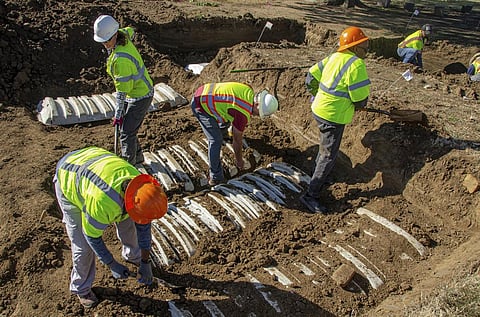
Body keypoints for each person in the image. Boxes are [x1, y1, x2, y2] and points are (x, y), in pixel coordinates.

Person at [53, 146, 168, 308]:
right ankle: (81, 288)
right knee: (83, 247)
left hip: (93, 160)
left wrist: (145, 261)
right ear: (130, 203)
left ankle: (133, 257)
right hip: (69, 176)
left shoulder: (142, 186)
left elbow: (143, 227)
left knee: (130, 225)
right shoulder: (103, 203)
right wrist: (111, 263)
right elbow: (91, 236)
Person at [303, 26, 371, 214]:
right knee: (328, 155)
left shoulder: (334, 57)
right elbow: (359, 100)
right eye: (364, 47)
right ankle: (311, 194)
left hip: (319, 109)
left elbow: (311, 76)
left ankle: (318, 175)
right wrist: (359, 104)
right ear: (355, 47)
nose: (366, 51)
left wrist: (316, 94)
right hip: (333, 116)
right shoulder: (356, 64)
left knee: (324, 148)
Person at [93, 15, 154, 165]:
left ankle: (129, 166)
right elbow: (130, 31)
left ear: (115, 35)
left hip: (140, 95)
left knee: (126, 132)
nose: (105, 45)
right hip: (136, 90)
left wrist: (118, 114)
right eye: (102, 42)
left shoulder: (121, 60)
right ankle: (138, 157)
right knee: (128, 129)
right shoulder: (123, 34)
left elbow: (122, 92)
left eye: (107, 41)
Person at [191, 82, 279, 185]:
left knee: (228, 111)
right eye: (257, 113)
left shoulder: (248, 89)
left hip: (206, 90)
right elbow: (237, 140)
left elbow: (231, 101)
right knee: (215, 140)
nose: (256, 115)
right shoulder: (242, 114)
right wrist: (239, 161)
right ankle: (215, 177)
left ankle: (223, 133)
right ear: (257, 104)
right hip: (200, 104)